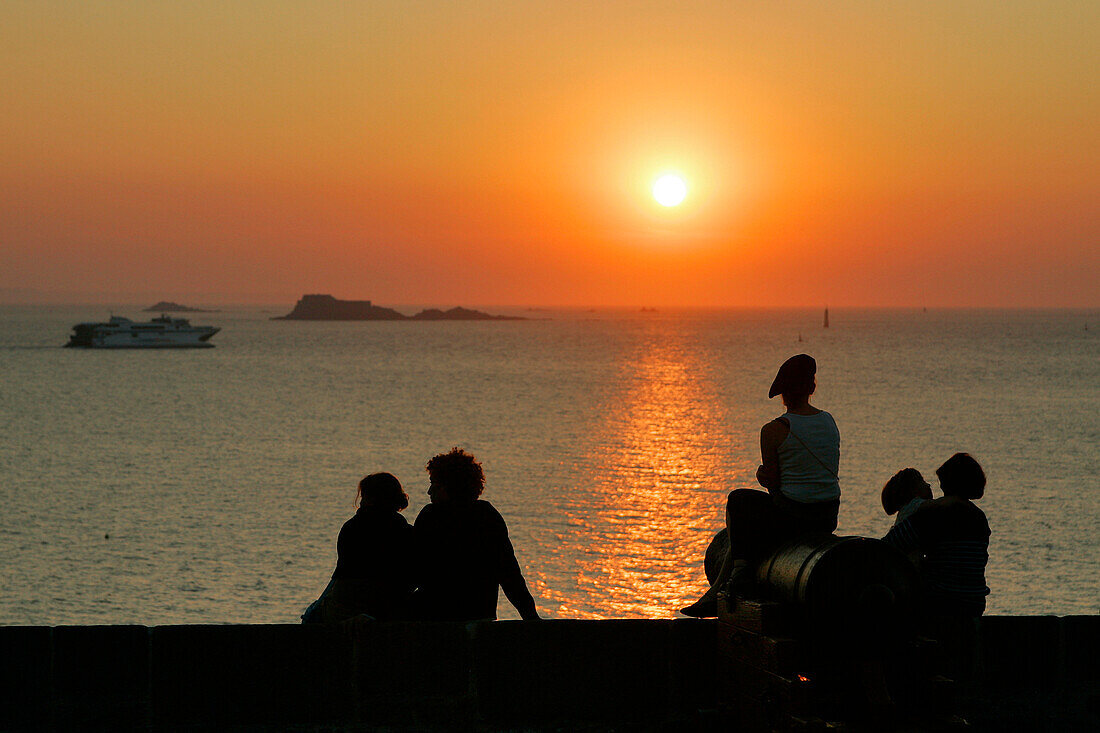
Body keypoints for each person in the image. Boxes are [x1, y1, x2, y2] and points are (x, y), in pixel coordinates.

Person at [682, 354, 840, 617]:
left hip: (794, 518)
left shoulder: (773, 430)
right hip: (826, 516)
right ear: (812, 389)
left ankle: (739, 570)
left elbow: (774, 487)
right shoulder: (829, 421)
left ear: (783, 394)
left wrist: (762, 477)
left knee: (738, 500)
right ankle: (728, 580)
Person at [413, 448, 540, 621]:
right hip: (480, 615)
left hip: (434, 616)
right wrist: (531, 617)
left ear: (448, 486)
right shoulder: (487, 515)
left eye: (434, 484)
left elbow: (414, 569)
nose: (429, 491)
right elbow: (509, 573)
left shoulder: (431, 516)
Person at [883, 453, 990, 618]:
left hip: (942, 602)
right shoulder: (979, 517)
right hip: (974, 603)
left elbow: (890, 545)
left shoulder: (936, 513)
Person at [302, 472, 416, 623]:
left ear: (369, 499)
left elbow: (343, 571)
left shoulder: (352, 526)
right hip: (387, 600)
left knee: (312, 614)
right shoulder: (405, 530)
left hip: (349, 599)